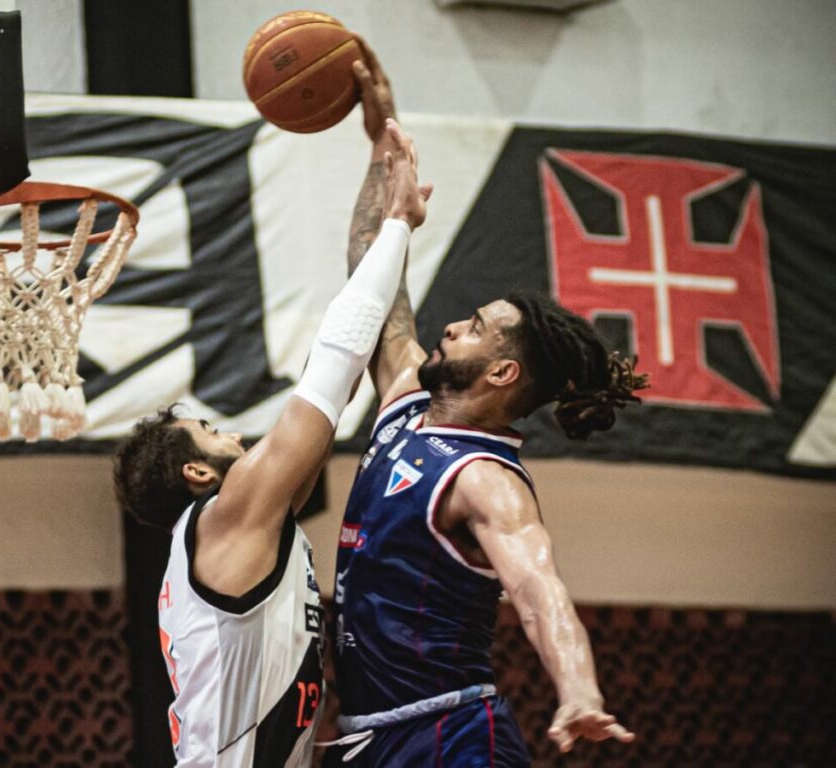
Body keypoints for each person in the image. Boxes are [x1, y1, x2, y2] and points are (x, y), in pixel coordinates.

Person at [323, 44, 646, 766]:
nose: (449, 326)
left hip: (451, 734)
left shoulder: (484, 479)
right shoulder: (406, 401)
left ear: (502, 372)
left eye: (471, 327)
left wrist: (579, 689)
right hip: (372, 734)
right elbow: (370, 272)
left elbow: (537, 587)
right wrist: (382, 142)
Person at [113, 115, 432, 767]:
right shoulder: (226, 515)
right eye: (210, 432)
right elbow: (335, 361)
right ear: (199, 475)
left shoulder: (242, 533)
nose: (230, 432)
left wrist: (378, 168)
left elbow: (351, 357)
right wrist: (397, 223)